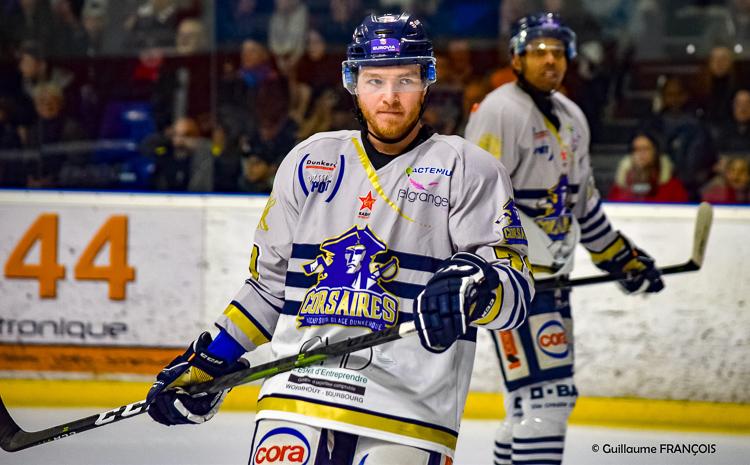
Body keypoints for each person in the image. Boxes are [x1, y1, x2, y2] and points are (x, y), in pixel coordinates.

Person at [145, 13, 534, 464]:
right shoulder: (310, 161)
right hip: (297, 395)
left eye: (405, 80)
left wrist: (476, 286)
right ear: (352, 81)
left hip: (409, 410)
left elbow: (516, 294)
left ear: (427, 81)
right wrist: (211, 359)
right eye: (375, 81)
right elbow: (270, 288)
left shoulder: (469, 169)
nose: (390, 97)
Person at [465, 12, 665, 465]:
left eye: (557, 52)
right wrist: (486, 272)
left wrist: (622, 259)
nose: (550, 60)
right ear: (517, 59)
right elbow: (477, 201)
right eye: (538, 51)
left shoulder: (573, 116)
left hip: (553, 280)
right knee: (549, 400)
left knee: (528, 401)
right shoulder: (499, 111)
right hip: (516, 285)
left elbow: (582, 204)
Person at [608, 131, 689, 203]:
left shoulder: (672, 186)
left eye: (646, 149)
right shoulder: (621, 186)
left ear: (655, 152)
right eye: (636, 149)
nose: (641, 154)